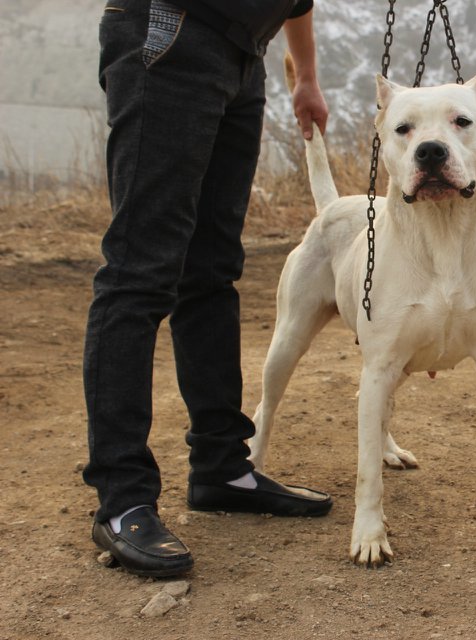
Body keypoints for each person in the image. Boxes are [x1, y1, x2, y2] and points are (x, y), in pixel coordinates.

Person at [83, 0, 332, 578]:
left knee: (212, 271)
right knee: (138, 272)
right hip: (172, 29)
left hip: (244, 54)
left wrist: (308, 77)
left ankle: (222, 467)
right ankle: (122, 499)